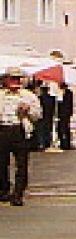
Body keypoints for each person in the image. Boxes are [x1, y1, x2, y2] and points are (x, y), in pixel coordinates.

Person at [0, 67, 41, 206]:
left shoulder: (28, 96)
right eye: (12, 78)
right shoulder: (1, 95)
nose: (15, 81)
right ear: (5, 80)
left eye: (18, 78)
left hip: (20, 130)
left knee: (22, 164)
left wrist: (28, 110)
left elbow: (37, 115)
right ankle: (4, 189)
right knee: (2, 163)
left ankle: (18, 194)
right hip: (3, 129)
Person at [35, 84, 56, 151]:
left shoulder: (39, 98)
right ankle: (48, 143)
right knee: (48, 130)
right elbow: (53, 108)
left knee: (41, 130)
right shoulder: (52, 98)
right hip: (49, 116)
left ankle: (42, 143)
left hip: (42, 116)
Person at [54, 83, 74, 151]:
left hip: (65, 113)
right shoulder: (58, 92)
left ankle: (66, 143)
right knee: (60, 128)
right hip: (60, 113)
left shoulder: (69, 93)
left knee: (65, 128)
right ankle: (62, 142)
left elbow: (69, 104)